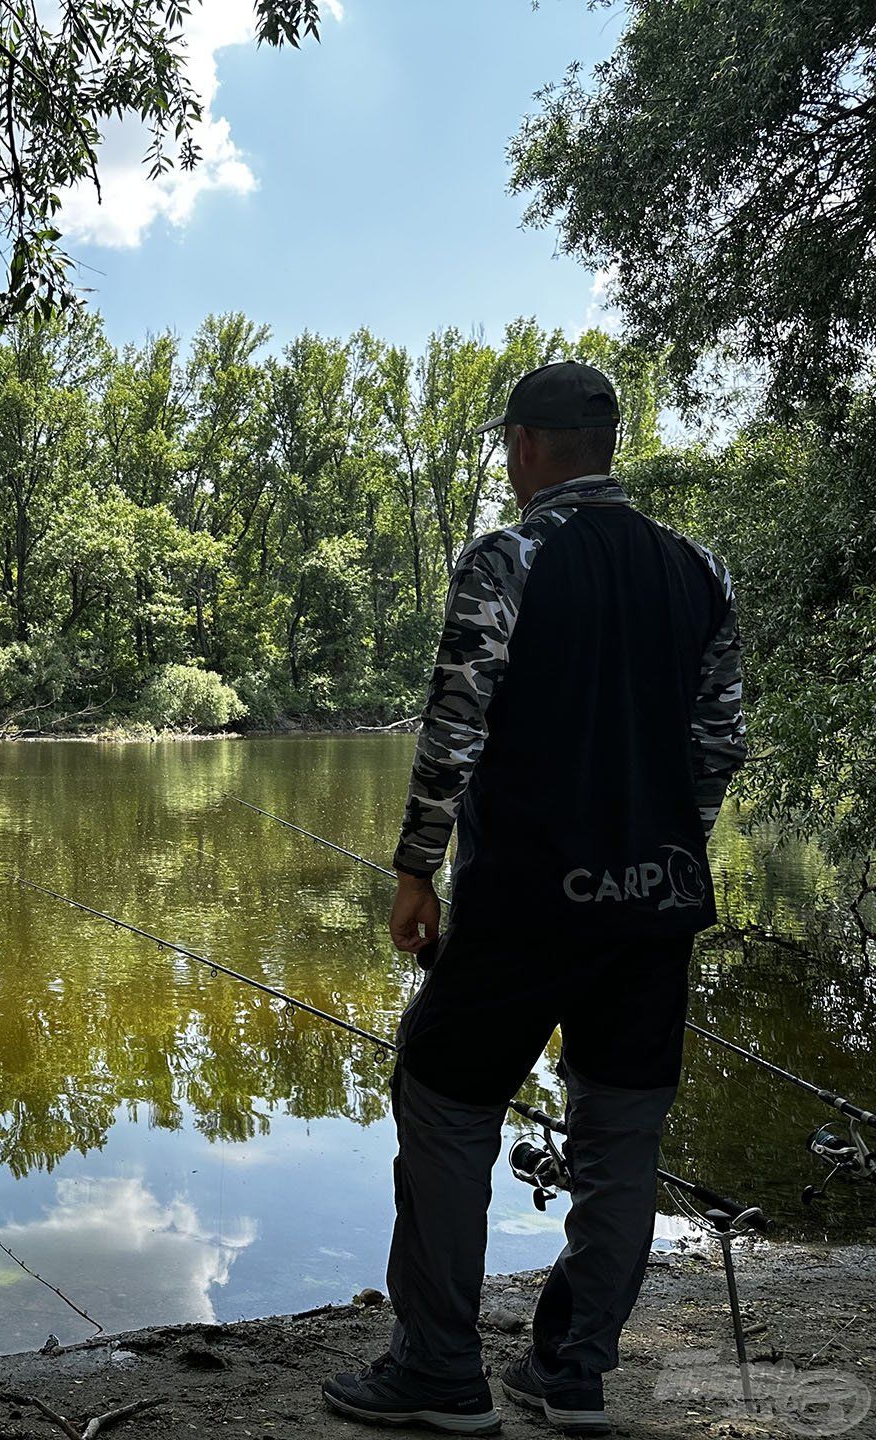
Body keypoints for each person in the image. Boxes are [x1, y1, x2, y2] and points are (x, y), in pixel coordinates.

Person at [318, 361, 747, 1436]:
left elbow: (455, 727)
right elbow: (719, 743)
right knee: (621, 1135)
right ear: (605, 445)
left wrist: (416, 867)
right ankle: (573, 1371)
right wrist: (663, 850)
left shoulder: (508, 558)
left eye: (508, 444)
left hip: (525, 902)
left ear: (524, 446)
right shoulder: (700, 571)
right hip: (656, 903)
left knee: (444, 1098)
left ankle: (438, 1371)